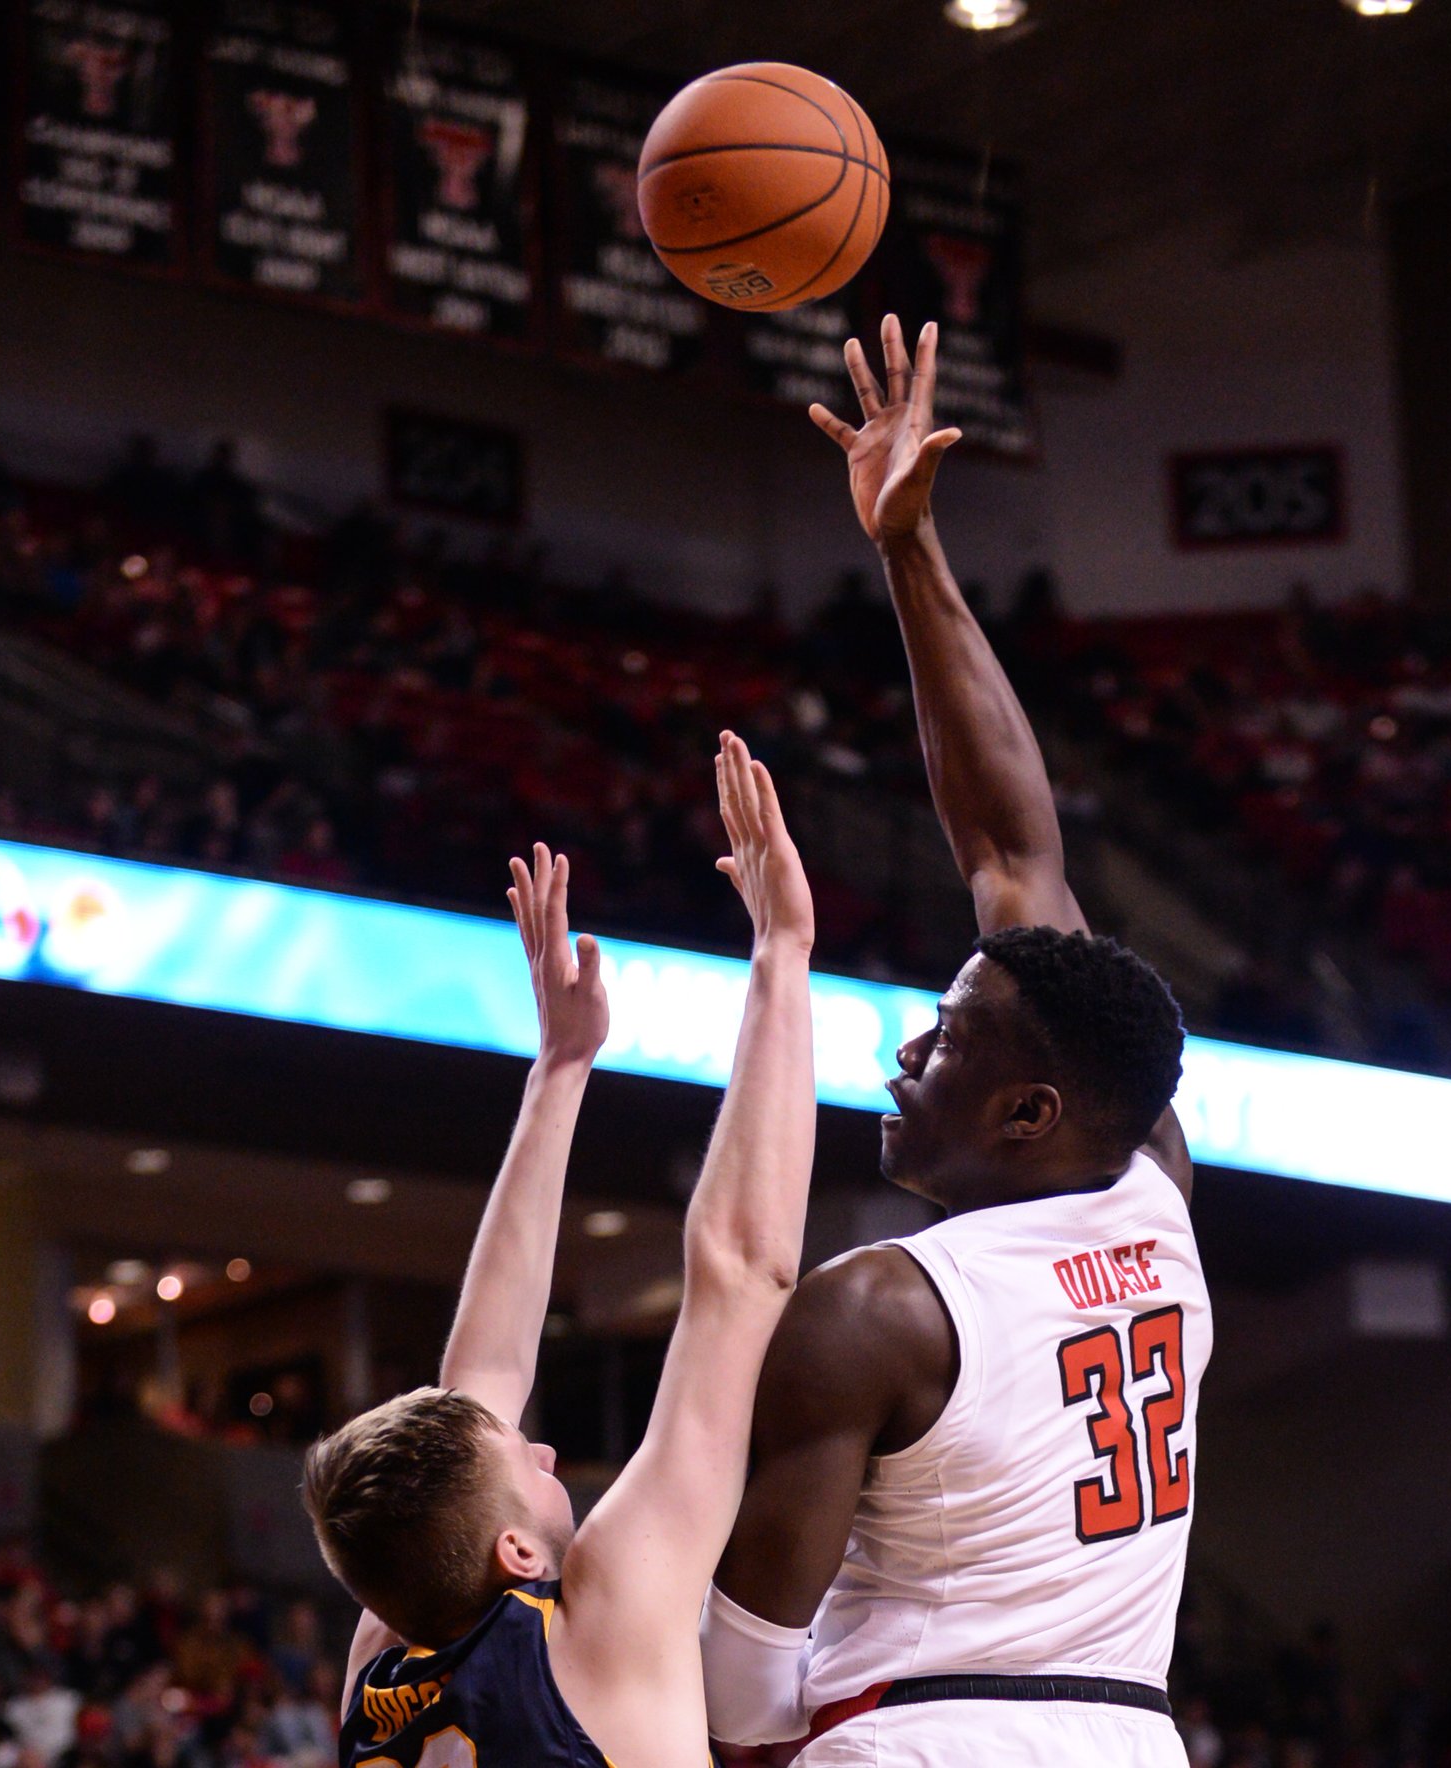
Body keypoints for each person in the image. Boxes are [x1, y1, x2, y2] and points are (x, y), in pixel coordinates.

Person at [701, 317, 1210, 1767]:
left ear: (1033, 1113)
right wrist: (908, 546)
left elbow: (741, 1700)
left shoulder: (877, 1310)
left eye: (942, 1044)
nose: (900, 1057)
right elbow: (1009, 849)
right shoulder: (1156, 1197)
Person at [311, 733, 819, 1768]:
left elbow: (482, 1378)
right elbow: (739, 1277)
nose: (541, 1445)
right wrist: (781, 955)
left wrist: (563, 1065)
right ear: (513, 1549)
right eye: (524, 1461)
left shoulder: (383, 1663)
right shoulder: (604, 1617)